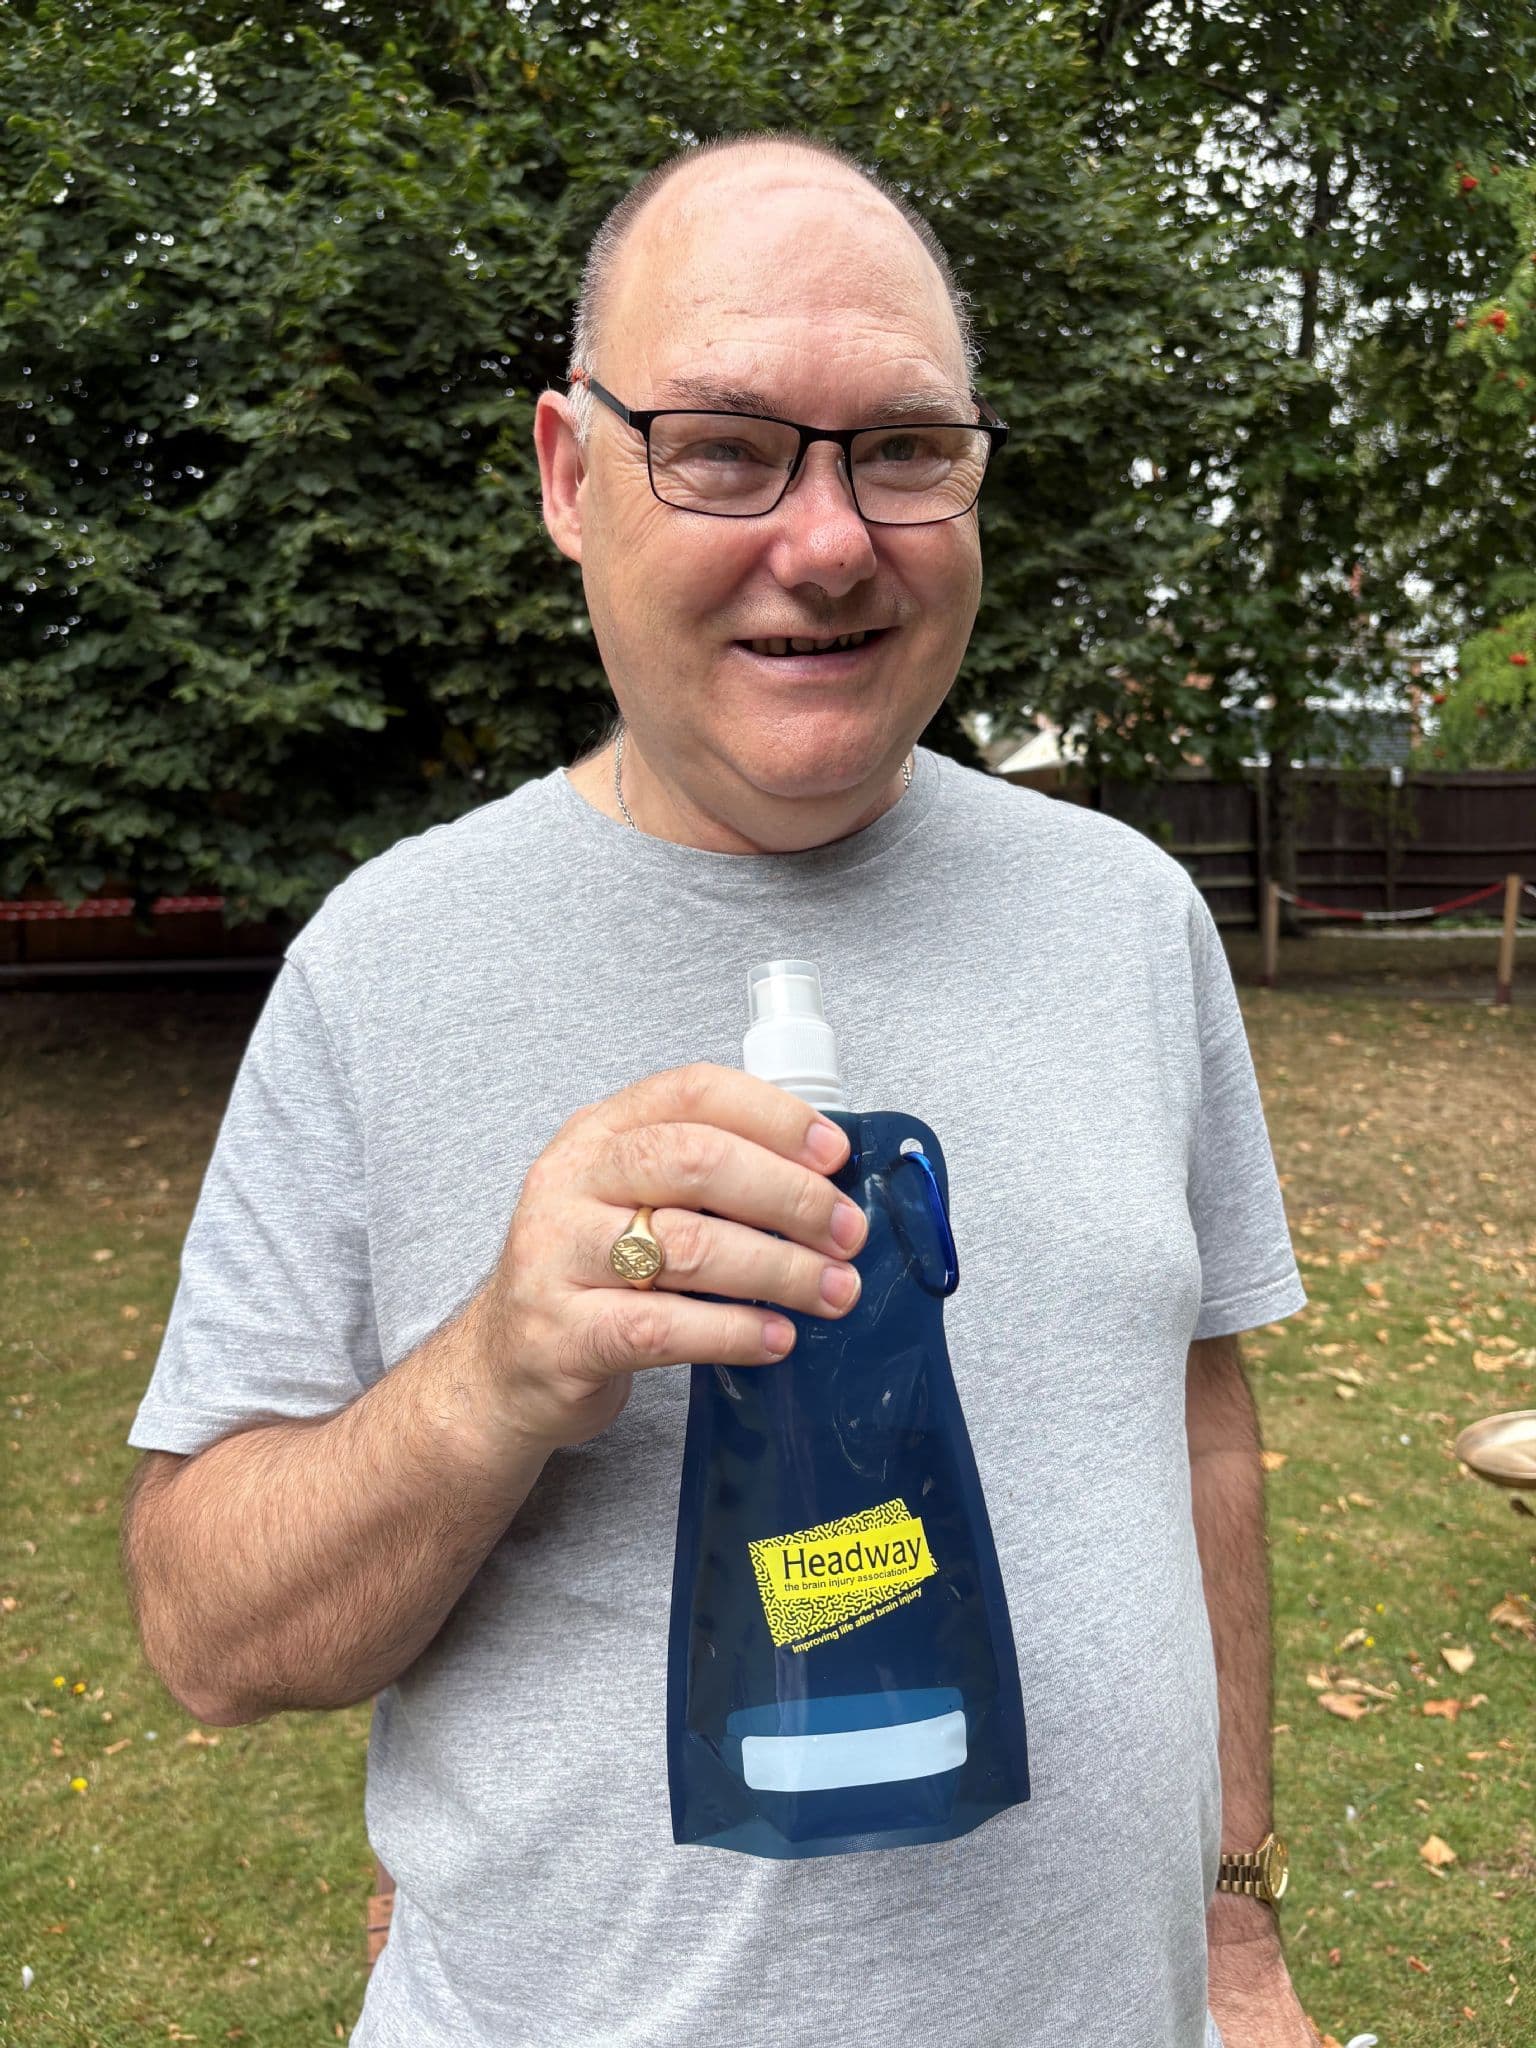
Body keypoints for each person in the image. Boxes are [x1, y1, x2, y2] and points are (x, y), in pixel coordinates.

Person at [120, 133, 1316, 2048]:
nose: (830, 541)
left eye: (902, 448)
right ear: (568, 475)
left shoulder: (1131, 918)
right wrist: (494, 1373)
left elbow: (1197, 1428)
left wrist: (1237, 1927)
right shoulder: (389, 959)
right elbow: (206, 1635)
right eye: (726, 449)